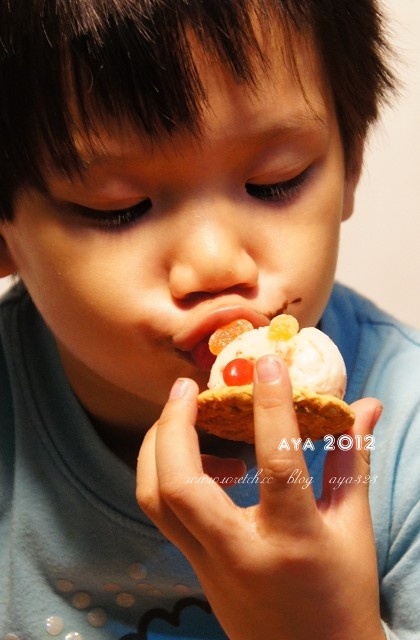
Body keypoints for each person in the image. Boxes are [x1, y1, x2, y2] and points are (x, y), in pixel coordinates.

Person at [0, 0, 419, 638]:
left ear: (351, 163)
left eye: (275, 181)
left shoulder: (405, 440)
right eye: (120, 208)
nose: (216, 264)